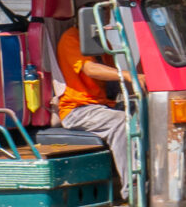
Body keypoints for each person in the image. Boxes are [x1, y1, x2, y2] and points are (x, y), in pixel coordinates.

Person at [55, 12, 130, 190]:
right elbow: (90, 69)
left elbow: (113, 78)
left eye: (106, 12)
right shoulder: (71, 38)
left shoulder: (103, 42)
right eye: (101, 11)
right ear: (87, 14)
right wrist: (128, 76)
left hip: (102, 106)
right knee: (120, 122)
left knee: (144, 110)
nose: (106, 18)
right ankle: (133, 188)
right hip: (78, 110)